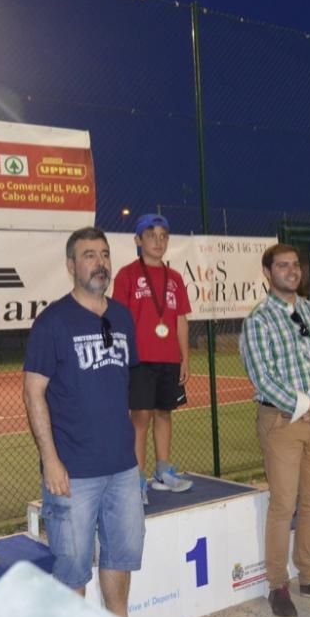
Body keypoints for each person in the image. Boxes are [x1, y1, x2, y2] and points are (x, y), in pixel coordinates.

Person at [23, 227, 144, 617]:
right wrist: (51, 461)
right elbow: (33, 393)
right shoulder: (52, 322)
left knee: (119, 559)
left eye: (105, 254)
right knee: (72, 569)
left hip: (122, 469)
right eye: (89, 255)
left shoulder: (122, 316)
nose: (100, 262)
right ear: (71, 265)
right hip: (73, 473)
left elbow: (123, 392)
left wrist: (133, 457)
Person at [239, 244, 310, 617]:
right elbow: (263, 377)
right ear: (267, 273)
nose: (292, 271)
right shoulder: (258, 320)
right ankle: (277, 585)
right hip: (282, 423)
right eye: (283, 266)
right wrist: (308, 406)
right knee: (283, 504)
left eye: (295, 266)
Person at [113, 213, 193, 504]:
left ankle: (163, 470)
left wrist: (184, 358)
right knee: (140, 417)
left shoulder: (175, 278)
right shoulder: (127, 275)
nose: (158, 241)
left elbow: (181, 320)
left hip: (169, 359)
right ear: (138, 240)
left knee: (164, 413)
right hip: (138, 359)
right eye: (151, 235)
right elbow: (119, 319)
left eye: (163, 236)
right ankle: (136, 479)